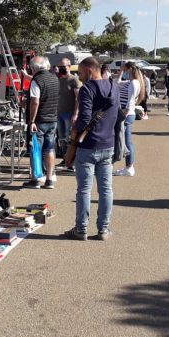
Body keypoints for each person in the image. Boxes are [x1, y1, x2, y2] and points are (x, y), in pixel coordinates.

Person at [62, 56, 119, 241]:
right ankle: (103, 229)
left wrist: (74, 130)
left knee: (84, 190)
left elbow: (84, 119)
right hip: (108, 143)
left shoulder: (87, 89)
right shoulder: (113, 87)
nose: (79, 76)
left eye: (79, 72)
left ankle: (81, 229)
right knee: (106, 189)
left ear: (88, 70)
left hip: (87, 145)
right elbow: (119, 116)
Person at [23, 56, 60, 189]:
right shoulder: (54, 78)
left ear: (33, 68)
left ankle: (36, 179)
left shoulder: (36, 80)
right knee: (49, 148)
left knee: (35, 149)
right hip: (52, 119)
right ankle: (49, 179)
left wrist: (32, 120)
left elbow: (35, 101)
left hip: (39, 120)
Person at [113, 62, 144, 177]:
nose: (123, 70)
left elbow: (130, 102)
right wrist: (120, 72)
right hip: (126, 114)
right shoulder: (131, 82)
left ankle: (129, 167)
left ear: (130, 69)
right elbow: (117, 83)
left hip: (126, 114)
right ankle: (128, 166)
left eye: (124, 68)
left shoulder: (134, 83)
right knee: (125, 141)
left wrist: (122, 116)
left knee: (127, 141)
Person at [56, 57, 82, 172]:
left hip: (69, 113)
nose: (61, 68)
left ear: (69, 66)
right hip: (59, 113)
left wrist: (75, 114)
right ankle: (65, 159)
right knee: (62, 138)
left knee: (69, 138)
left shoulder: (74, 80)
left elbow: (78, 99)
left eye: (63, 66)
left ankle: (71, 161)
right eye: (60, 66)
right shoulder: (59, 79)